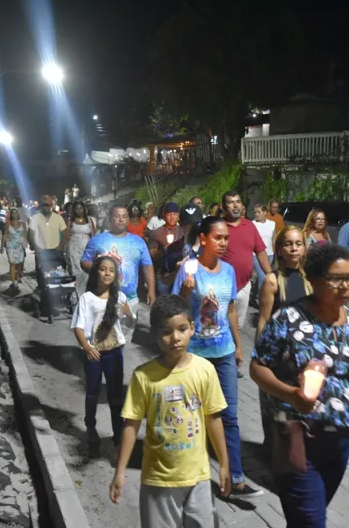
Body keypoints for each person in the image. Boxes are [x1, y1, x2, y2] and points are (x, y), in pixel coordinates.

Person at [251, 242, 349, 527]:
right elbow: (258, 367)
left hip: (342, 438)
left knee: (309, 514)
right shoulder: (288, 319)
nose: (346, 286)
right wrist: (291, 394)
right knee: (311, 520)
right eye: (336, 279)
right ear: (313, 280)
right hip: (296, 436)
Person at [110, 295, 231, 527]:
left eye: (182, 329)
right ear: (155, 334)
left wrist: (225, 464)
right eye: (166, 332)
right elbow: (131, 424)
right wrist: (120, 471)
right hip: (158, 481)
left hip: (199, 477)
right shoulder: (143, 376)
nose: (175, 338)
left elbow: (213, 418)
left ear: (192, 328)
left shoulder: (204, 370)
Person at [172, 216, 263, 498]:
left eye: (226, 238)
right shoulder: (188, 270)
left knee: (230, 417)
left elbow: (231, 308)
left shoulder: (228, 270)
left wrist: (237, 344)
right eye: (218, 238)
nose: (224, 243)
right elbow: (175, 312)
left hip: (223, 353)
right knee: (194, 418)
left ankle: (235, 478)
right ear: (203, 239)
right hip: (195, 356)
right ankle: (194, 478)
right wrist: (186, 294)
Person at [255, 224, 312, 457]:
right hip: (280, 356)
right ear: (278, 249)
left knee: (304, 409)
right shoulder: (272, 281)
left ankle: (300, 454)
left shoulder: (311, 279)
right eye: (288, 244)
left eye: (298, 244)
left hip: (307, 355)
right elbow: (263, 320)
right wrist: (261, 359)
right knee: (277, 411)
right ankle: (276, 456)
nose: (294, 249)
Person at [71, 254, 135, 447]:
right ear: (96, 272)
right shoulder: (87, 298)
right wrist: (87, 347)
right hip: (94, 354)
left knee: (115, 396)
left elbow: (130, 323)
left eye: (111, 270)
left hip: (115, 353)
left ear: (115, 275)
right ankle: (90, 427)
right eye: (103, 269)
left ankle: (118, 433)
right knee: (92, 392)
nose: (107, 273)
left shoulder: (120, 297)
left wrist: (128, 314)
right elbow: (78, 327)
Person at [81, 204, 157, 338]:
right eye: (117, 216)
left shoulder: (138, 242)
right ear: (110, 219)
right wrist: (98, 270)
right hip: (102, 300)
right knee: (101, 339)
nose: (121, 219)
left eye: (124, 216)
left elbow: (147, 266)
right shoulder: (97, 240)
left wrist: (151, 290)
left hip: (129, 301)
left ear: (128, 219)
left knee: (124, 339)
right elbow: (84, 261)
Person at [220, 191, 272, 331]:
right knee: (220, 328)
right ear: (224, 207)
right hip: (221, 287)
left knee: (237, 328)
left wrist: (270, 275)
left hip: (244, 287)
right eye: (231, 202)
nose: (235, 205)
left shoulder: (249, 226)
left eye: (238, 201)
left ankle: (233, 350)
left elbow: (260, 252)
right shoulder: (218, 226)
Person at [159, 202, 204, 295]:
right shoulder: (172, 249)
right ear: (180, 224)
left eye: (196, 224)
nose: (192, 228)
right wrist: (176, 272)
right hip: (180, 301)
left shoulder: (210, 247)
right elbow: (164, 281)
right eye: (188, 224)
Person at [64, 200, 95, 295]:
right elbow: (66, 236)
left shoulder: (89, 220)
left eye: (80, 208)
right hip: (74, 248)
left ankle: (85, 293)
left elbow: (93, 236)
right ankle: (76, 295)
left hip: (86, 248)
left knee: (86, 272)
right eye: (76, 208)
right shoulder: (70, 221)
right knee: (75, 272)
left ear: (84, 209)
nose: (79, 210)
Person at [149, 201, 183, 270]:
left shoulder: (183, 230)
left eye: (175, 214)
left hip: (181, 268)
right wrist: (163, 251)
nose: (172, 217)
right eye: (169, 215)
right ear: (164, 216)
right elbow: (152, 254)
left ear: (178, 215)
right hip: (163, 270)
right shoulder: (156, 233)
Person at [0, 208, 28, 289]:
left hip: (20, 246)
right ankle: (13, 281)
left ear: (18, 214)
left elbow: (25, 235)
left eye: (16, 213)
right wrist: (1, 246)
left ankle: (18, 275)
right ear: (10, 215)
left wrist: (26, 245)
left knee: (20, 264)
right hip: (10, 246)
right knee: (12, 263)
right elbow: (4, 236)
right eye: (13, 213)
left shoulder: (23, 224)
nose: (15, 214)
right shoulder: (8, 224)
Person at [252, 203, 276, 292]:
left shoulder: (272, 224)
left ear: (265, 212)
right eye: (255, 212)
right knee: (262, 275)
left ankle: (255, 294)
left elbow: (273, 238)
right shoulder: (252, 224)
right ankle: (263, 300)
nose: (256, 214)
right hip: (256, 255)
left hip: (269, 254)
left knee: (267, 275)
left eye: (259, 212)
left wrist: (275, 251)